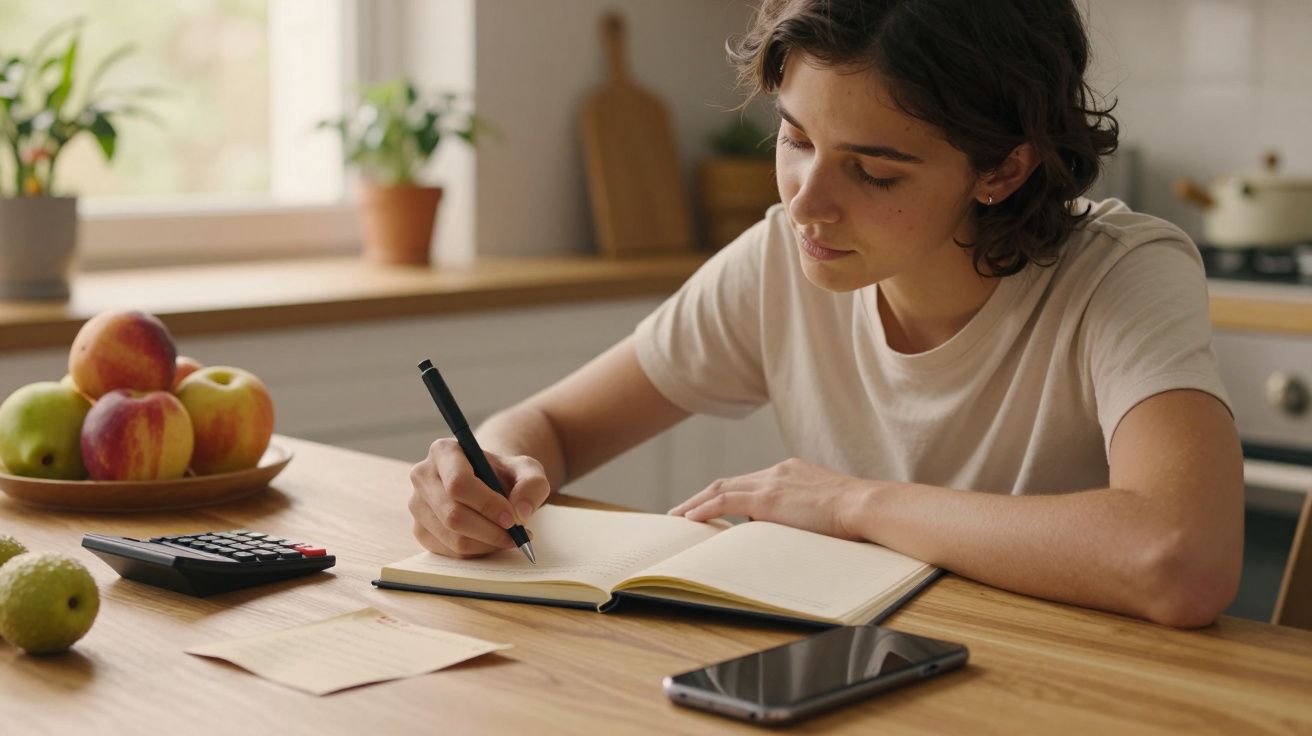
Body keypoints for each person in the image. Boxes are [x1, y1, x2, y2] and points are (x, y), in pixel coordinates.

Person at [408, 0, 1243, 628]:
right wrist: (487, 476)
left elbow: (1178, 556)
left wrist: (852, 505)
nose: (807, 204)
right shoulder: (781, 260)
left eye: (872, 172)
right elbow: (553, 422)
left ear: (1003, 169)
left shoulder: (1122, 274)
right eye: (796, 138)